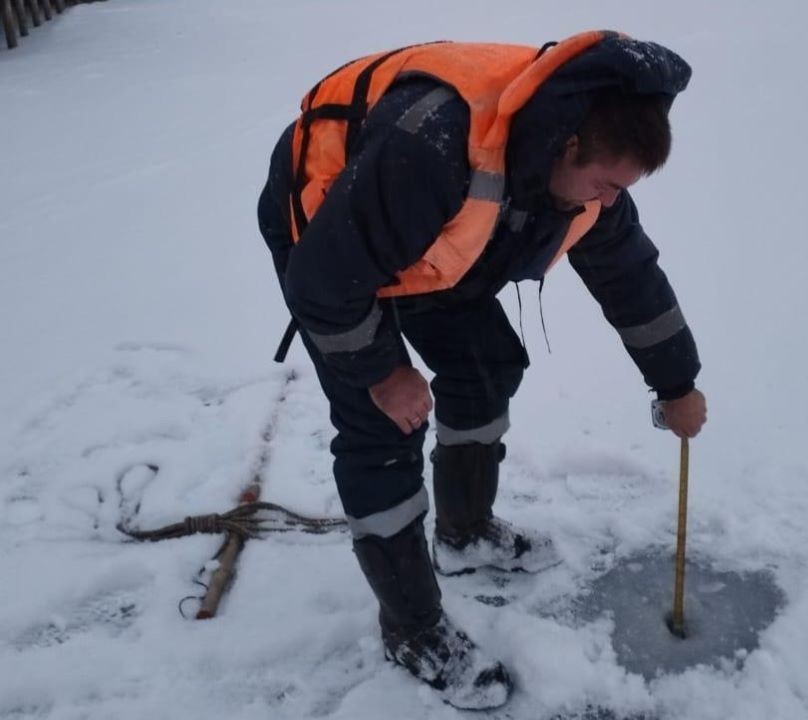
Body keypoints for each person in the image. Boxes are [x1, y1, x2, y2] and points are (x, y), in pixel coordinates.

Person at [257, 30, 706, 709]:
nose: (611, 201)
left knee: (485, 368)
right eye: (608, 184)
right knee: (385, 430)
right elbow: (323, 283)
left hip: (432, 243)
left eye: (625, 189)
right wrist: (383, 371)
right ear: (569, 145)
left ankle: (464, 533)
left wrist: (677, 382)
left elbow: (630, 278)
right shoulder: (434, 147)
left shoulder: (580, 181)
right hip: (332, 240)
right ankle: (412, 628)